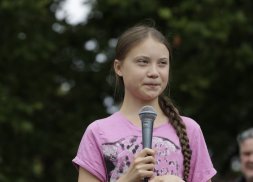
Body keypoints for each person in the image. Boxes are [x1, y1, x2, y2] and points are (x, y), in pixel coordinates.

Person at [72, 23, 217, 182]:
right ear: (119, 67)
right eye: (143, 62)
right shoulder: (97, 132)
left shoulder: (190, 130)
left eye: (162, 63)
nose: (154, 72)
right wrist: (127, 179)